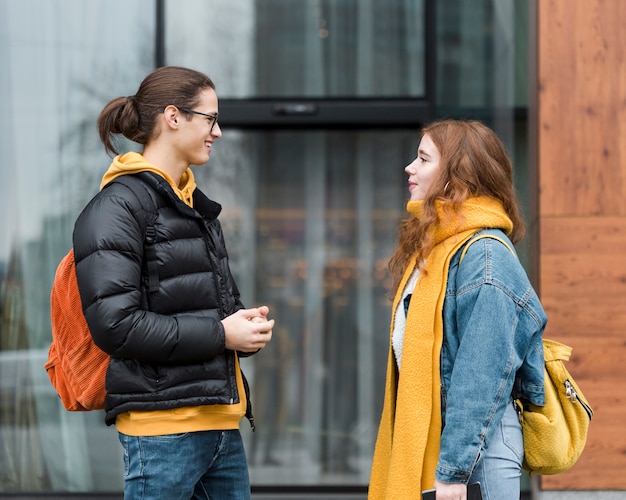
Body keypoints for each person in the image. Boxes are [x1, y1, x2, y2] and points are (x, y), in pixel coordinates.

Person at [72, 66, 274, 500]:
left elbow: (205, 310)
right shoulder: (117, 208)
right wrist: (222, 333)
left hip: (219, 424)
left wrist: (242, 328)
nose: (217, 132)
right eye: (210, 119)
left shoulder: (193, 206)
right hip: (162, 433)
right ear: (173, 117)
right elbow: (116, 326)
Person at [368, 119, 547, 500]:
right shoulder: (436, 250)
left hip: (473, 456)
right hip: (454, 449)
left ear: (456, 179)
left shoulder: (484, 256)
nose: (409, 167)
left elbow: (480, 378)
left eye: (422, 159)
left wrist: (452, 473)